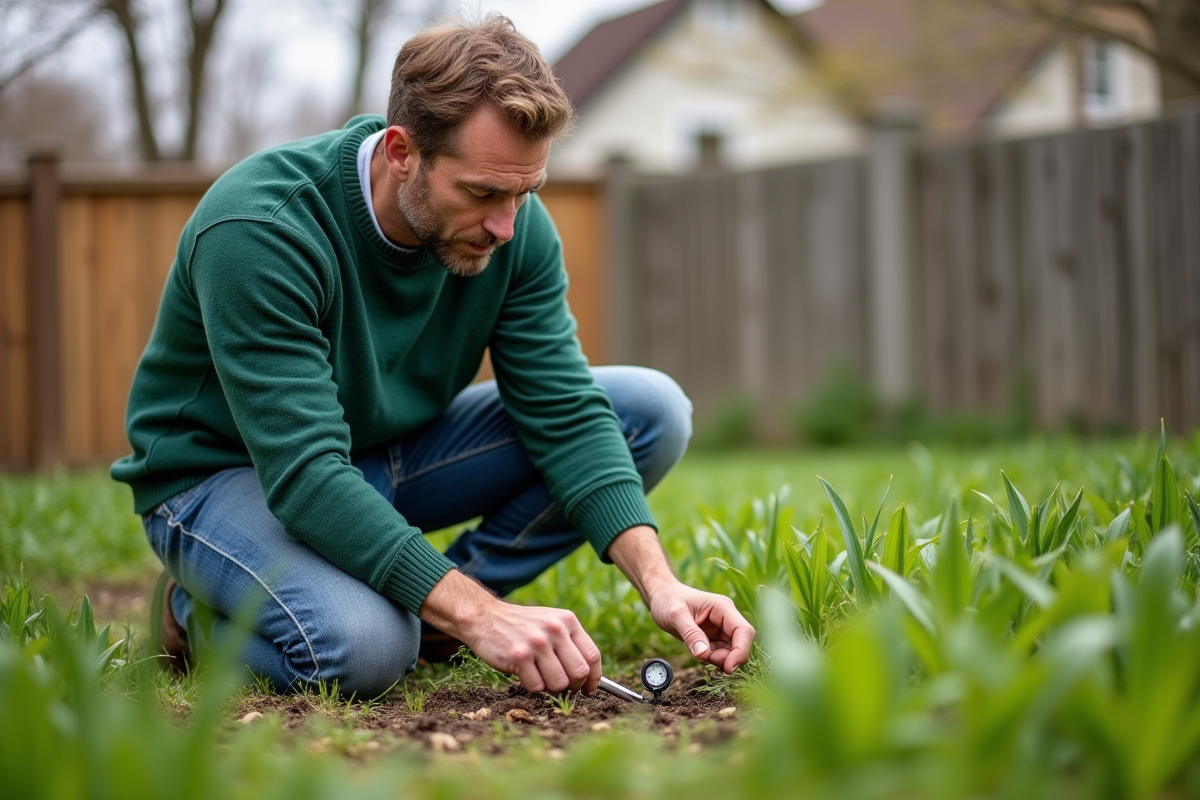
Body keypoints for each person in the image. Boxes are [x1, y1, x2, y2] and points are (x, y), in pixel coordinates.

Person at [112, 14, 755, 698]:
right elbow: (303, 474)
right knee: (363, 649)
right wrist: (484, 615)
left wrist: (659, 582)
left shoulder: (512, 227)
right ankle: (191, 614)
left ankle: (439, 616)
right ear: (401, 152)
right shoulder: (261, 230)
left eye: (523, 193)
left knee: (650, 412)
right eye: (481, 192)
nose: (506, 225)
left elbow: (565, 413)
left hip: (387, 453)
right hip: (225, 476)